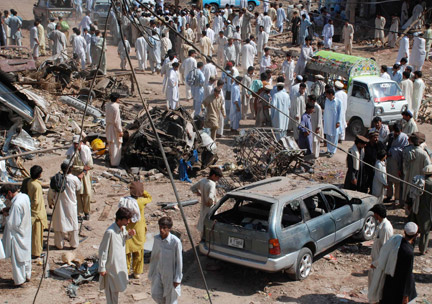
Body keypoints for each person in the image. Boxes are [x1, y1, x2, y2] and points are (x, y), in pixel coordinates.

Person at [368, 222, 418, 304]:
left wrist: (376, 263)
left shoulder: (396, 241)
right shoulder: (408, 252)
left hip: (390, 279)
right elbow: (408, 274)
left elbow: (384, 254)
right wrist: (406, 295)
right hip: (400, 285)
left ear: (404, 232)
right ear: (416, 235)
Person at [99, 207, 136, 304]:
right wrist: (102, 267)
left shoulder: (122, 228)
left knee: (117, 289)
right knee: (111, 293)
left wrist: (130, 235)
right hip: (110, 267)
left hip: (119, 265)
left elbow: (122, 239)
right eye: (126, 219)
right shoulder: (110, 232)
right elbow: (103, 250)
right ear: (119, 219)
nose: (128, 222)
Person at [0, 184, 32, 286]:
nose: (5, 198)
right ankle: (27, 275)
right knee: (26, 256)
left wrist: (6, 215)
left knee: (18, 259)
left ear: (9, 193)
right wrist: (9, 209)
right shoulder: (24, 197)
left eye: (5, 195)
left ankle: (19, 280)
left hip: (17, 235)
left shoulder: (17, 204)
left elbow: (12, 224)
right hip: (25, 231)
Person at [148, 216, 183, 304]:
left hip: (170, 275)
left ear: (169, 229)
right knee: (156, 294)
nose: (161, 230)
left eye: (164, 228)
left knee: (171, 300)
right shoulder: (157, 239)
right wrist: (151, 272)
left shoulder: (175, 242)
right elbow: (154, 256)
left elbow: (179, 262)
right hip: (158, 273)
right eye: (160, 227)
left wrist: (177, 279)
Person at [49, 161, 82, 249]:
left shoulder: (56, 179)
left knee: (59, 224)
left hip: (59, 205)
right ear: (71, 168)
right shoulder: (74, 179)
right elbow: (79, 188)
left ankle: (59, 244)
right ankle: (74, 244)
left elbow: (50, 193)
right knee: (73, 224)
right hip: (71, 205)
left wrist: (50, 202)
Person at [123, 181, 151, 279]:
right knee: (138, 252)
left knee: (127, 252)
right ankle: (137, 272)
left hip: (127, 229)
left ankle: (125, 271)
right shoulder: (141, 202)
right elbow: (149, 198)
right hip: (139, 230)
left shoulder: (125, 201)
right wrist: (143, 192)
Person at [66, 135, 93, 220]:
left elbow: (89, 166)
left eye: (77, 143)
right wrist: (81, 168)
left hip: (85, 176)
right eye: (74, 144)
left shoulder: (86, 151)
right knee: (77, 195)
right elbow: (70, 165)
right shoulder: (71, 152)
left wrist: (83, 172)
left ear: (81, 143)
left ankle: (86, 212)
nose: (75, 145)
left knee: (87, 194)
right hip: (75, 175)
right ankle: (78, 213)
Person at [191, 167, 223, 236]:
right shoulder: (212, 184)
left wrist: (199, 194)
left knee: (203, 222)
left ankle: (203, 238)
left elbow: (193, 188)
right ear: (213, 175)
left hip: (203, 206)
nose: (218, 179)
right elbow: (211, 196)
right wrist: (210, 202)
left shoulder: (203, 181)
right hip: (210, 208)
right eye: (218, 177)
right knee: (211, 224)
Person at [23, 165, 47, 259]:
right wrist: (35, 211)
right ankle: (36, 252)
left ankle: (35, 250)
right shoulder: (36, 185)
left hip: (33, 212)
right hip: (37, 213)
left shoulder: (29, 182)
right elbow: (36, 201)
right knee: (37, 235)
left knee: (34, 234)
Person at [368, 204, 393, 288]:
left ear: (377, 214)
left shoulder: (386, 228)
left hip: (380, 264)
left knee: (377, 287)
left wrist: (376, 263)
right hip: (377, 261)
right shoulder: (381, 225)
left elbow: (386, 250)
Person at [402, 132, 431, 205]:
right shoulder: (423, 154)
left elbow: (404, 166)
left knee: (409, 197)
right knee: (416, 199)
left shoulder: (407, 150)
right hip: (419, 181)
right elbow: (428, 168)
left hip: (409, 179)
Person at [385, 124, 409, 206]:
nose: (396, 134)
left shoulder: (404, 137)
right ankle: (389, 195)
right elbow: (386, 144)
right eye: (395, 132)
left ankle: (397, 198)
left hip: (398, 162)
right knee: (389, 180)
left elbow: (404, 150)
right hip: (390, 161)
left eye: (398, 132)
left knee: (397, 182)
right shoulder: (391, 136)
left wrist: (394, 151)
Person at [414, 165, 432, 255]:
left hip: (417, 207)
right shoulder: (430, 184)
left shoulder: (419, 181)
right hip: (427, 209)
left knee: (417, 228)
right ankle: (423, 249)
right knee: (426, 231)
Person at [323, 89, 343, 158]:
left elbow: (340, 113)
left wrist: (338, 122)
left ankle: (333, 151)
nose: (326, 95)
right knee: (328, 136)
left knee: (334, 137)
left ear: (331, 94)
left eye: (327, 94)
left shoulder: (338, 102)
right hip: (327, 122)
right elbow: (325, 111)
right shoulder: (327, 101)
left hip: (334, 122)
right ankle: (329, 150)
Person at [105, 93, 123, 167]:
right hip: (114, 128)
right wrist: (120, 130)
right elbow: (117, 121)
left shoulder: (108, 105)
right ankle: (114, 163)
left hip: (109, 126)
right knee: (115, 145)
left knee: (110, 143)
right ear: (116, 99)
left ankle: (111, 159)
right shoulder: (115, 107)